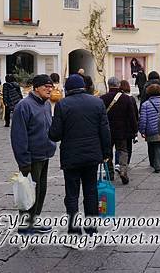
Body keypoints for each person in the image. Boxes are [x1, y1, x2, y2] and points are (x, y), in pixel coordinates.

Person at [48, 74, 111, 237]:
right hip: (92, 155)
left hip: (71, 156)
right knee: (91, 193)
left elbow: (55, 134)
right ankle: (92, 229)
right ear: (84, 86)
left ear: (68, 89)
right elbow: (105, 130)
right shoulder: (97, 102)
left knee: (72, 194)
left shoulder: (62, 104)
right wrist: (106, 153)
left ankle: (74, 230)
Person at [10, 74, 57, 235]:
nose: (50, 89)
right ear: (36, 88)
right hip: (31, 157)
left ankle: (34, 220)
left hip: (45, 154)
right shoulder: (24, 106)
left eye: (51, 86)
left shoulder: (46, 104)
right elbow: (18, 135)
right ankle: (25, 226)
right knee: (28, 191)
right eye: (46, 86)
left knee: (41, 191)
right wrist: (23, 160)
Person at [100, 77, 138, 184]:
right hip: (123, 130)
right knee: (123, 150)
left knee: (107, 152)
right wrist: (135, 130)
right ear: (119, 85)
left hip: (107, 131)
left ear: (108, 85)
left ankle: (110, 173)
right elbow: (132, 116)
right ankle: (123, 171)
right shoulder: (126, 98)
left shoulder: (102, 98)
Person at [139, 83, 160, 172]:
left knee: (151, 146)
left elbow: (143, 119)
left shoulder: (145, 104)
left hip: (150, 130)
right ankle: (157, 164)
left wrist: (142, 130)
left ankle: (152, 162)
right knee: (159, 146)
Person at [118, 79, 138, 165]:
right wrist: (135, 129)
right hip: (129, 126)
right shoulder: (131, 99)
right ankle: (126, 163)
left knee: (119, 146)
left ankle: (118, 163)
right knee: (128, 146)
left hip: (119, 126)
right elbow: (135, 114)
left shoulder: (117, 98)